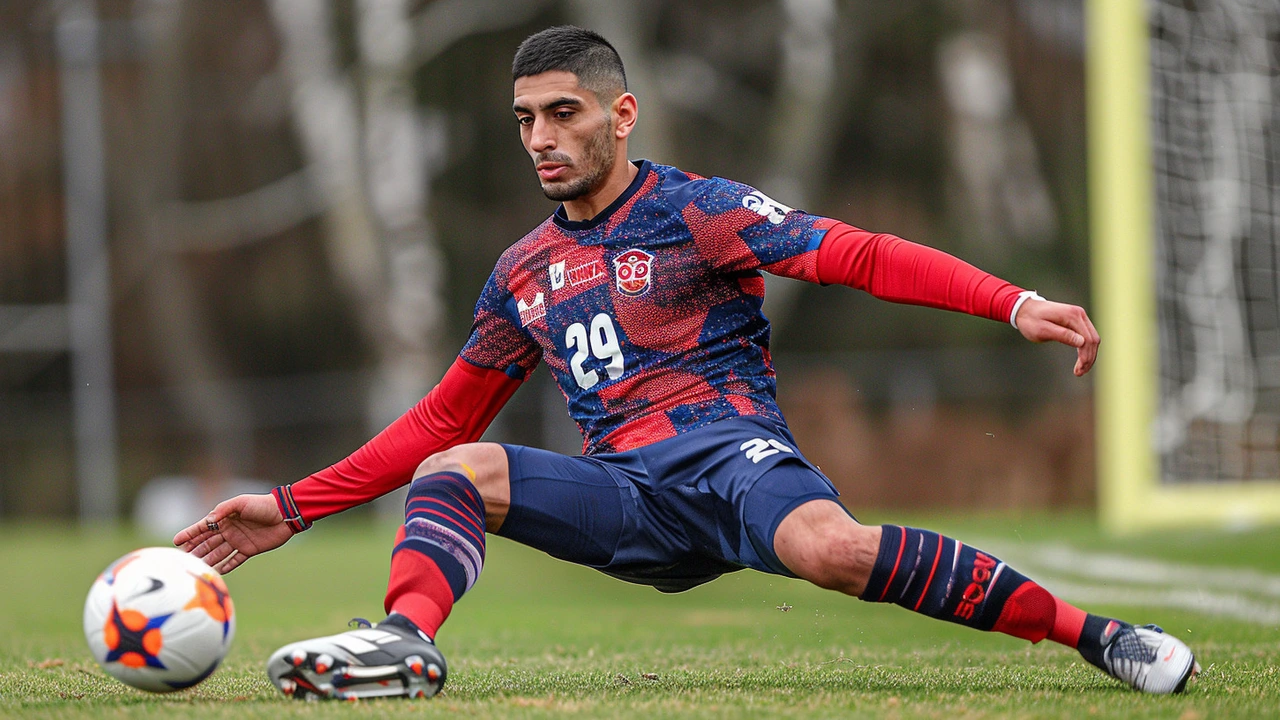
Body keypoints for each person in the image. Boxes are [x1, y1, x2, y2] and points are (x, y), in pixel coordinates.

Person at [175, 25, 1197, 700]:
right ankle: (406, 642)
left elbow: (859, 254)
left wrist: (1008, 301)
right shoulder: (522, 270)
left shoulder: (694, 211)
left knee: (832, 553)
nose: (540, 136)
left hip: (730, 462)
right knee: (454, 470)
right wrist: (295, 506)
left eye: (563, 112)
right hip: (628, 497)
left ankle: (1094, 634)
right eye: (525, 119)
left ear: (620, 115)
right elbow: (444, 419)